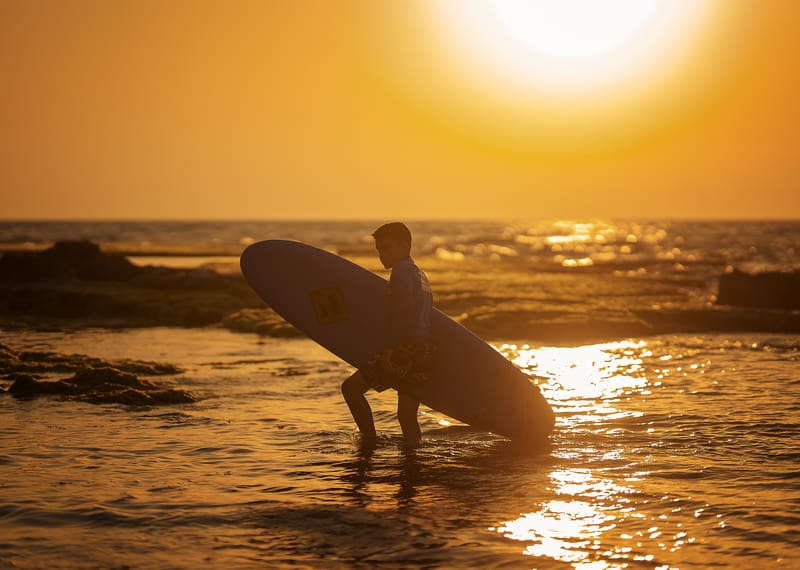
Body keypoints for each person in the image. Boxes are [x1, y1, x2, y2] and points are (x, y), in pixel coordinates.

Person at [341, 222, 434, 445]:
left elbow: (403, 312)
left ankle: (369, 441)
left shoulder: (401, 270)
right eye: (378, 249)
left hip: (404, 349)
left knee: (351, 389)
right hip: (422, 350)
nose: (381, 254)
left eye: (387, 248)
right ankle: (412, 456)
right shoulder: (420, 274)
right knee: (406, 416)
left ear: (405, 245)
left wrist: (390, 349)